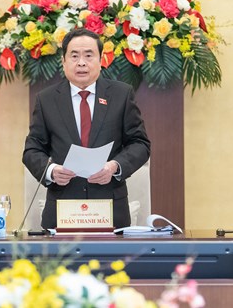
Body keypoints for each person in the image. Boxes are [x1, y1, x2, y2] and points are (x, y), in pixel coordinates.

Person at [22, 28, 150, 229]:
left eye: (88, 55)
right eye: (74, 56)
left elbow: (140, 144)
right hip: (62, 210)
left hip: (110, 209)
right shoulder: (46, 100)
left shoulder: (121, 95)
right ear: (63, 62)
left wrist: (114, 166)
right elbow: (32, 149)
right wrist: (52, 171)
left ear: (101, 61)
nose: (81, 62)